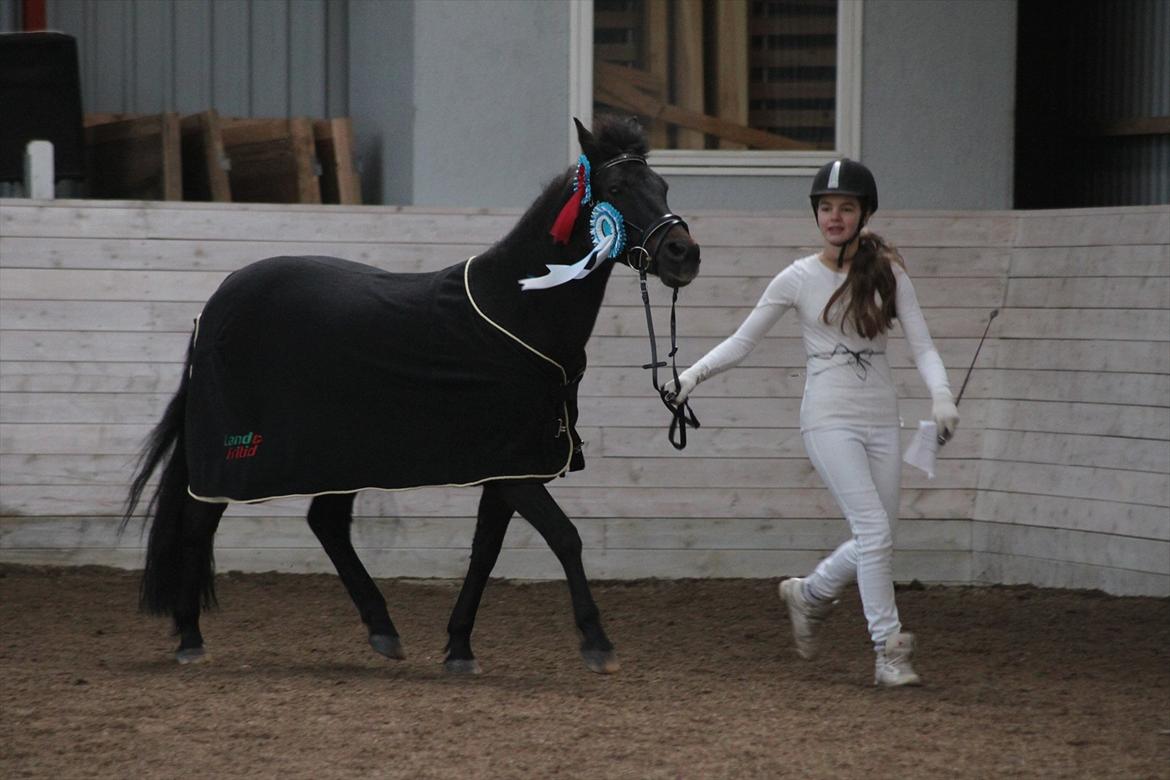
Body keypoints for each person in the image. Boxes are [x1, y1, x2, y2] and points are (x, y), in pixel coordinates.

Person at [666, 159, 958, 687]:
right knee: (873, 531)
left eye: (846, 208)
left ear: (863, 213)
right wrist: (692, 376)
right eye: (826, 208)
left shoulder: (888, 274)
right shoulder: (797, 278)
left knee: (880, 535)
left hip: (880, 417)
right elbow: (743, 340)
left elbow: (923, 344)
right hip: (828, 417)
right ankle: (889, 650)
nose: (835, 217)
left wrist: (941, 395)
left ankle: (811, 593)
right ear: (816, 214)